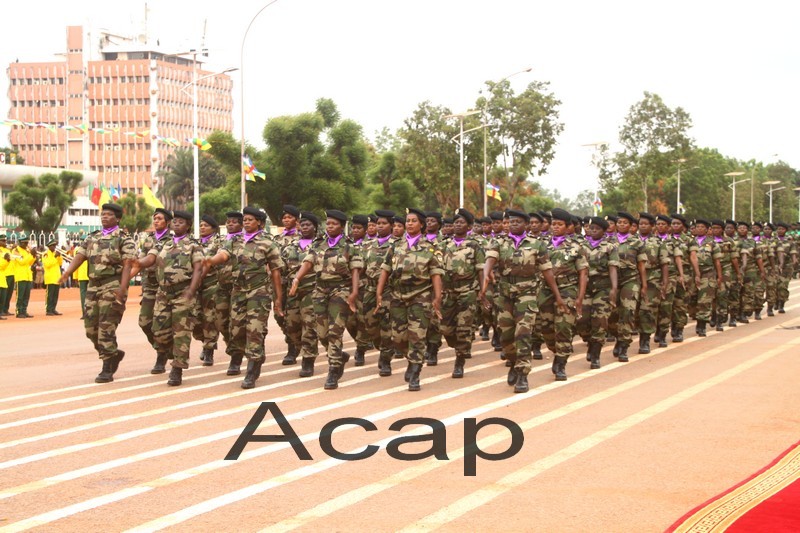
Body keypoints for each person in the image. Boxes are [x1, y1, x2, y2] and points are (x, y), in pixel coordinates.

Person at [480, 209, 563, 393]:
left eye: (518, 221)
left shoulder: (537, 244)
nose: (514, 224)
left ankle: (523, 374)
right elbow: (490, 260)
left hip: (527, 294)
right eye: (511, 222)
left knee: (523, 333)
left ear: (526, 225)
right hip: (505, 294)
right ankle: (512, 362)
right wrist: (486, 277)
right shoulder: (499, 241)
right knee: (506, 335)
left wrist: (557, 295)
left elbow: (547, 271)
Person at [206, 206, 284, 389]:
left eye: (250, 220)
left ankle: (252, 369)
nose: (246, 222)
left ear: (259, 222)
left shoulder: (267, 243)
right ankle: (252, 354)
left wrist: (278, 298)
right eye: (245, 220)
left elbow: (275, 271)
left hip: (259, 292)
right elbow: (223, 255)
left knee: (254, 330)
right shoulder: (235, 241)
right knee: (236, 330)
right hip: (238, 291)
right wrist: (209, 261)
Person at [59, 203, 135, 383]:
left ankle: (107, 367)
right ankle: (113, 353)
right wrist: (67, 273)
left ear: (117, 218)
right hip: (93, 286)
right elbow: (80, 256)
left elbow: (128, 265)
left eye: (109, 215)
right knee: (90, 329)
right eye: (103, 214)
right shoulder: (93, 237)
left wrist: (122, 289)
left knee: (106, 327)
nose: (104, 217)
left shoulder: (124, 238)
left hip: (112, 285)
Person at [290, 209, 362, 390]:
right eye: (328, 223)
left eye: (334, 224)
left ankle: (333, 369)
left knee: (335, 331)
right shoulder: (319, 244)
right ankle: (340, 356)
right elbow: (308, 262)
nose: (330, 227)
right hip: (320, 290)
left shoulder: (349, 246)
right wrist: (297, 278)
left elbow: (355, 271)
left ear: (342, 226)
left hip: (341, 290)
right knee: (322, 333)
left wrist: (353, 293)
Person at [132, 210, 204, 385]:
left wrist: (192, 290)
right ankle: (167, 352)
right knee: (158, 330)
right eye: (175, 221)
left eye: (181, 222)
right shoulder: (163, 244)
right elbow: (151, 258)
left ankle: (177, 369)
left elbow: (198, 268)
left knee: (181, 332)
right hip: (163, 293)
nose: (177, 224)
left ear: (188, 226)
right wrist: (138, 263)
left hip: (183, 292)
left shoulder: (194, 245)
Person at [376, 208, 443, 391]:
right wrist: (379, 292)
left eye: (414, 221)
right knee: (398, 338)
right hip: (398, 295)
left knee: (417, 335)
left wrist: (437, 297)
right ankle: (411, 359)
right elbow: (385, 269)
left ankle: (415, 371)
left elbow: (436, 274)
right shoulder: (396, 246)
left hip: (420, 296)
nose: (409, 224)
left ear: (421, 225)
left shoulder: (430, 248)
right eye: (408, 221)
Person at [537, 208, 588, 382]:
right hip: (546, 291)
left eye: (560, 225)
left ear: (568, 227)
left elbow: (583, 273)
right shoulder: (542, 244)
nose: (555, 227)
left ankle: (561, 362)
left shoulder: (576, 247)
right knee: (547, 329)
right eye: (554, 224)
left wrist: (580, 298)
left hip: (568, 289)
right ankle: (555, 350)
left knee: (564, 327)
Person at [439, 208, 484, 378]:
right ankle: (458, 346)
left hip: (467, 291)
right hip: (448, 292)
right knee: (446, 329)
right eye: (455, 222)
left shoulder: (474, 245)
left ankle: (459, 361)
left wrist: (482, 291)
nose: (457, 225)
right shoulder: (445, 245)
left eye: (461, 222)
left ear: (469, 226)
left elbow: (481, 270)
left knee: (463, 328)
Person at [576, 216, 619, 369]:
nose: (593, 231)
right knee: (582, 320)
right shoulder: (581, 245)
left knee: (600, 321)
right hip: (585, 287)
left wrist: (614, 288)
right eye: (591, 228)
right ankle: (590, 342)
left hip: (603, 287)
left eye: (597, 229)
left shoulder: (610, 246)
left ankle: (596, 353)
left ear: (604, 230)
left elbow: (613, 267)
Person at [283, 211, 321, 377]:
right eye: (302, 224)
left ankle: (308, 360)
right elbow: (282, 266)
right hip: (292, 291)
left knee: (309, 325)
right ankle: (299, 346)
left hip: (312, 290)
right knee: (291, 325)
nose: (304, 227)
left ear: (315, 227)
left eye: (308, 225)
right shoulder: (291, 246)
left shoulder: (320, 245)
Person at [360, 210, 398, 376]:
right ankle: (380, 346)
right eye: (377, 224)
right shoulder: (368, 246)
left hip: (389, 290)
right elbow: (360, 267)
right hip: (369, 289)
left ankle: (385, 358)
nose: (379, 227)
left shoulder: (397, 245)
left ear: (391, 226)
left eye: (383, 224)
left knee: (386, 326)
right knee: (370, 325)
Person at [608, 212, 647, 362]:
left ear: (631, 226)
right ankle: (617, 337)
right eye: (619, 222)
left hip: (630, 280)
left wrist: (644, 285)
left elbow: (641, 266)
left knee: (628, 311)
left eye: (625, 223)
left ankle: (624, 345)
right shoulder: (609, 241)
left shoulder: (637, 243)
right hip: (613, 281)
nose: (621, 225)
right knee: (612, 314)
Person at [138, 208, 173, 371]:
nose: (156, 221)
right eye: (154, 218)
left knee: (161, 324)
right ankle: (163, 348)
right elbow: (141, 261)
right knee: (144, 322)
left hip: (165, 286)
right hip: (149, 286)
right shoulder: (148, 239)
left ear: (167, 222)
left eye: (159, 218)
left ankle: (161, 355)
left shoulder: (172, 240)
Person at [192, 215, 223, 366]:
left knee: (209, 318)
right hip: (195, 285)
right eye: (201, 225)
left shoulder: (218, 243)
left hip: (211, 284)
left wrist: (198, 280)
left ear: (213, 228)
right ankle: (204, 341)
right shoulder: (194, 243)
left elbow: (208, 264)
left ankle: (209, 349)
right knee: (195, 319)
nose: (202, 227)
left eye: (205, 225)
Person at [636, 213, 669, 354]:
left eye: (645, 224)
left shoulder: (659, 243)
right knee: (632, 310)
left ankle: (644, 340)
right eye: (640, 224)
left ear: (652, 226)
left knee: (647, 310)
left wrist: (665, 282)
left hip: (652, 280)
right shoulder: (632, 241)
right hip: (633, 279)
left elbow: (664, 264)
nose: (642, 226)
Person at [218, 211, 244, 374]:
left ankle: (236, 356)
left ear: (241, 225)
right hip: (221, 288)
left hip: (239, 288)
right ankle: (233, 346)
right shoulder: (220, 241)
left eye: (234, 222)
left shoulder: (244, 241)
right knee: (221, 322)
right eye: (228, 222)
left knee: (237, 324)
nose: (230, 224)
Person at [275, 205, 301, 366]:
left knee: (294, 317)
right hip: (279, 283)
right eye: (284, 218)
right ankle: (293, 340)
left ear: (296, 220)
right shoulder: (277, 239)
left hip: (296, 283)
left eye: (289, 218)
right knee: (279, 316)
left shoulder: (302, 238)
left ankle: (294, 347)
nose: (286, 220)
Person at [689, 219, 723, 336]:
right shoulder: (690, 242)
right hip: (691, 274)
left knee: (704, 300)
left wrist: (719, 276)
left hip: (707, 273)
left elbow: (717, 261)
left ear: (707, 229)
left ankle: (701, 325)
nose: (699, 229)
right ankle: (695, 316)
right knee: (692, 299)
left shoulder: (712, 243)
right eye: (697, 226)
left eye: (702, 227)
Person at [13, 234, 35, 318]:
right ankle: (19, 311)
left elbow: (30, 263)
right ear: (20, 243)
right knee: (20, 296)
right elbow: (21, 262)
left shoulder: (27, 251)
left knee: (26, 295)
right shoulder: (16, 251)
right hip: (20, 276)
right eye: (24, 243)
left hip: (28, 275)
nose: (26, 245)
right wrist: (30, 255)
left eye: (27, 243)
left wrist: (33, 256)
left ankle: (24, 310)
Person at [42, 238, 64, 315]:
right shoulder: (46, 254)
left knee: (55, 295)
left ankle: (53, 308)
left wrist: (59, 257)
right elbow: (48, 264)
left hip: (57, 277)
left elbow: (60, 263)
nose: (55, 247)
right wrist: (55, 257)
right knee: (50, 295)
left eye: (55, 246)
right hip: (50, 277)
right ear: (49, 246)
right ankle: (48, 309)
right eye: (53, 246)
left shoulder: (55, 254)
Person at [0, 235, 10, 320]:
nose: (4, 242)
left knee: (3, 297)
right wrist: (6, 260)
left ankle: (1, 312)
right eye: (2, 241)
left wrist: (7, 261)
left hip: (3, 278)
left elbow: (3, 266)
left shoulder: (5, 251)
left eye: (5, 241)